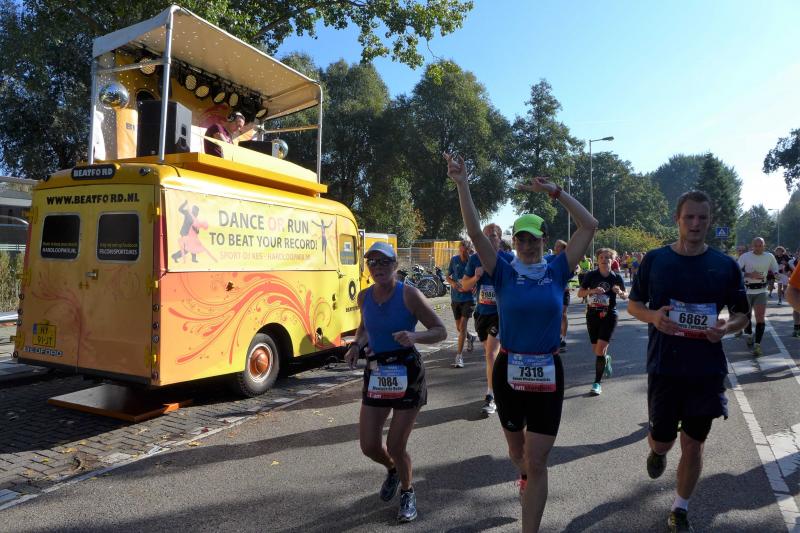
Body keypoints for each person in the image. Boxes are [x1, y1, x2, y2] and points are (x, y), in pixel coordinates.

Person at [446, 152, 596, 533]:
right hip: (509, 372)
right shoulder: (503, 271)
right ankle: (525, 476)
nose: (528, 244)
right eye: (521, 238)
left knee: (538, 459)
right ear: (514, 241)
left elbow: (589, 225)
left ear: (544, 240)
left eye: (534, 238)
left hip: (547, 372)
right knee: (518, 454)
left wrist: (556, 192)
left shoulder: (559, 269)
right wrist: (463, 184)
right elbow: (476, 233)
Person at [627, 190, 748, 533]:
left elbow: (741, 314)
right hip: (665, 366)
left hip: (705, 370)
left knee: (694, 444)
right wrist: (653, 317)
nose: (696, 224)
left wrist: (726, 328)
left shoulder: (725, 266)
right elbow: (634, 304)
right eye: (689, 217)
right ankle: (657, 450)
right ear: (677, 220)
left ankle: (679, 509)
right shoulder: (656, 260)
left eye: (702, 218)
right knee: (663, 441)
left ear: (710, 221)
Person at [345, 242, 447, 523]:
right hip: (377, 372)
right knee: (369, 445)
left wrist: (414, 337)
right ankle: (393, 470)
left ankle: (407, 491)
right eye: (372, 262)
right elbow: (365, 328)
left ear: (395, 265)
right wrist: (355, 345)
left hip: (407, 372)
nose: (377, 267)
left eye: (384, 262)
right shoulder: (364, 297)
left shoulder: (409, 295)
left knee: (395, 445)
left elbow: (440, 331)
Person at [461, 223, 514, 415]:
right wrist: (476, 278)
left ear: (499, 239)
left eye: (492, 236)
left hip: (500, 314)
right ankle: (503, 382)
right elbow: (464, 285)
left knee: (491, 353)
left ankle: (491, 395)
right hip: (482, 313)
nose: (488, 239)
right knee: (491, 354)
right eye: (484, 236)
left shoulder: (508, 259)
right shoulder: (475, 259)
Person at [577, 248, 627, 395]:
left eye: (607, 258)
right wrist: (592, 291)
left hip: (609, 314)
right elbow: (580, 293)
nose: (604, 260)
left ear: (613, 260)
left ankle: (597, 383)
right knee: (597, 350)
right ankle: (606, 359)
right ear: (597, 260)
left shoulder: (616, 277)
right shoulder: (591, 275)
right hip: (592, 314)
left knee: (599, 350)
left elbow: (625, 296)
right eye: (601, 258)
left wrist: (620, 292)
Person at [737, 237, 778, 357]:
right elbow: (736, 270)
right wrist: (749, 274)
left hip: (761, 290)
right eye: (756, 245)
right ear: (752, 246)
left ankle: (757, 345)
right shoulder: (745, 256)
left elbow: (775, 268)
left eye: (760, 245)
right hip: (747, 291)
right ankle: (749, 334)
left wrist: (776, 274)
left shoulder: (769, 256)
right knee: (747, 316)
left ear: (764, 246)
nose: (758, 247)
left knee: (760, 317)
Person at [446, 240, 477, 368]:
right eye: (461, 251)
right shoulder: (454, 260)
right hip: (456, 298)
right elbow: (447, 277)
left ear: (469, 250)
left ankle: (459, 357)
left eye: (465, 252)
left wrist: (476, 285)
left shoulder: (474, 261)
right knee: (459, 328)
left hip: (469, 298)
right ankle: (470, 337)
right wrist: (453, 283)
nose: (463, 254)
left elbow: (480, 277)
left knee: (463, 327)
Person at [545, 240, 572, 351]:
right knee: (554, 315)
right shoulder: (548, 258)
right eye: (555, 246)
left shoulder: (567, 259)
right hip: (551, 292)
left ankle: (563, 338)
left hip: (564, 291)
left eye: (558, 246)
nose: (555, 248)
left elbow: (573, 271)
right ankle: (556, 337)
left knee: (562, 314)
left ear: (564, 248)